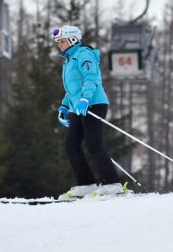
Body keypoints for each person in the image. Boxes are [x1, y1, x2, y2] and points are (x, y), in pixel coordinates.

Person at [53, 25, 124, 199]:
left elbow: (91, 77)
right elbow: (72, 89)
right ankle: (85, 184)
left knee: (94, 143)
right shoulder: (69, 60)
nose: (59, 45)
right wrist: (64, 106)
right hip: (78, 107)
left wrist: (85, 99)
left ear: (72, 40)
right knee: (71, 144)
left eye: (61, 41)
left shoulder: (83, 54)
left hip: (93, 104)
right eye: (58, 42)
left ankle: (112, 183)